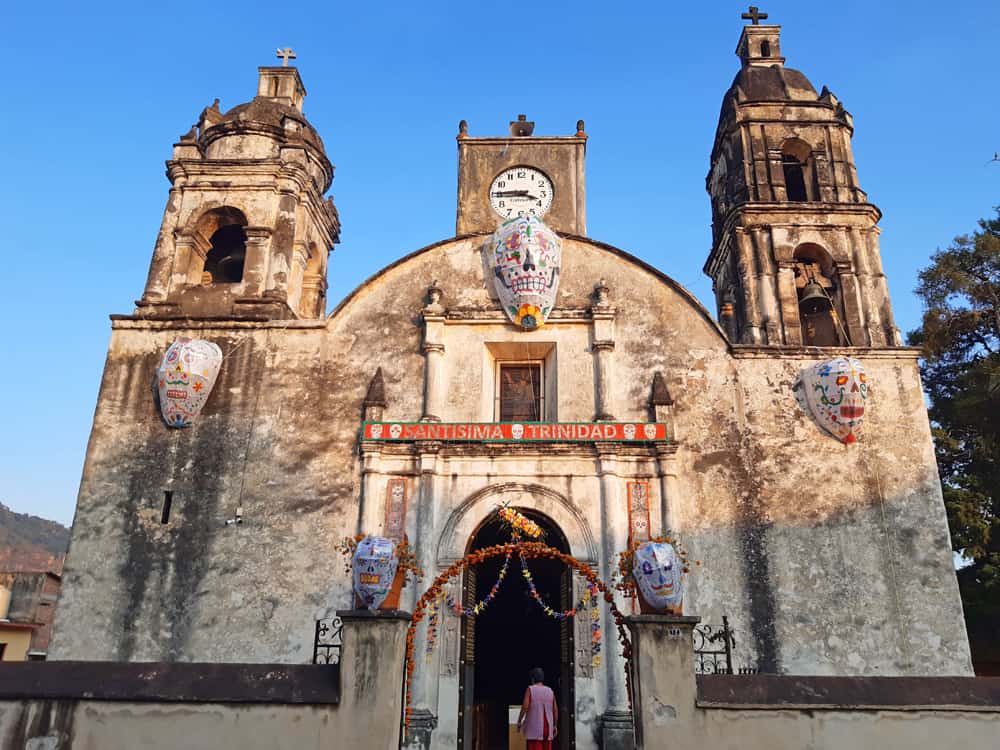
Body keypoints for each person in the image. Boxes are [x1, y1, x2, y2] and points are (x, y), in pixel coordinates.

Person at [516, 667, 557, 749]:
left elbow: (525, 707)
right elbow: (555, 710)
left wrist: (519, 721)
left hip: (535, 729)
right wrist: (555, 725)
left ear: (533, 679)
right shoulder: (550, 691)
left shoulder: (530, 689)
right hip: (548, 729)